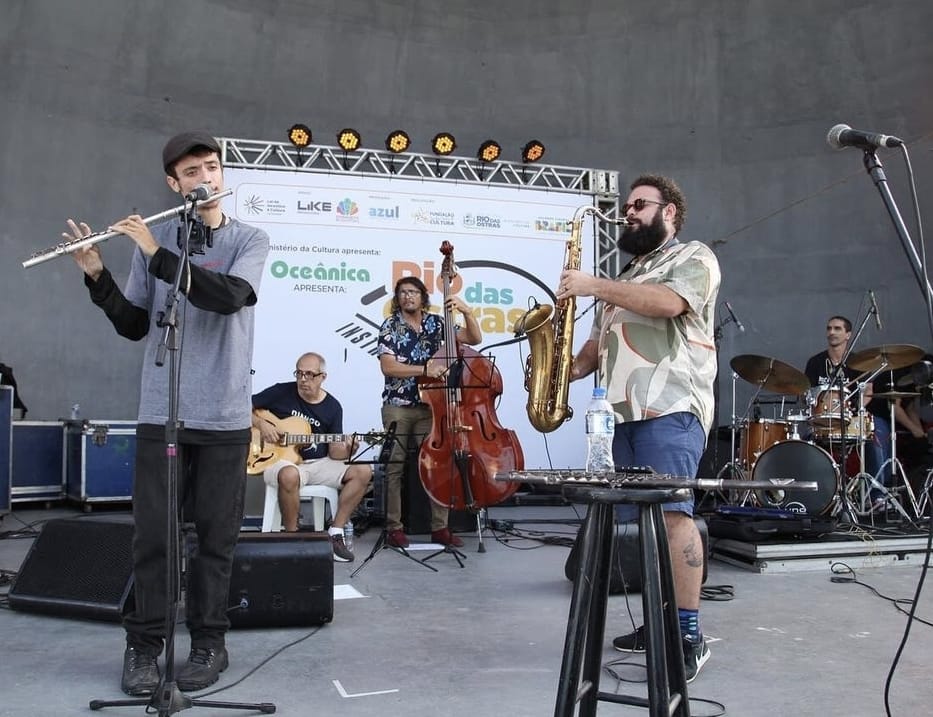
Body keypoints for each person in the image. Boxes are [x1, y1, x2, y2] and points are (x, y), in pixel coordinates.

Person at [64, 131, 270, 696]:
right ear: (172, 184)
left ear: (222, 175)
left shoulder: (251, 238)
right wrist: (97, 276)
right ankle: (144, 646)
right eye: (191, 171)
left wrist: (157, 254)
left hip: (225, 419)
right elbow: (135, 325)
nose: (204, 177)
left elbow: (228, 296)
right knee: (153, 539)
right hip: (163, 415)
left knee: (215, 541)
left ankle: (209, 643)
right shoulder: (155, 241)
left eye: (211, 167)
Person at [559, 174, 720, 683]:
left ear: (669, 211)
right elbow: (594, 350)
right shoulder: (628, 273)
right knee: (640, 523)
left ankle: (688, 634)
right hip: (616, 417)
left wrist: (591, 284)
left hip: (668, 409)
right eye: (626, 205)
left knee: (673, 517)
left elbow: (670, 304)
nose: (627, 212)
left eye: (638, 205)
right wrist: (553, 369)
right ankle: (658, 621)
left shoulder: (693, 256)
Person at [376, 276, 482, 549]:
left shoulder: (437, 323)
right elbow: (388, 367)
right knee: (395, 466)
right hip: (398, 405)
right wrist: (424, 370)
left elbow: (473, 338)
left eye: (412, 292)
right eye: (402, 293)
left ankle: (440, 527)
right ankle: (394, 528)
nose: (407, 297)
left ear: (423, 297)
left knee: (436, 465)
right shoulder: (390, 325)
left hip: (431, 405)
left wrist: (467, 312)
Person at [251, 352, 373, 562]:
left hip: (319, 464)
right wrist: (262, 425)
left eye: (309, 375)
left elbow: (335, 453)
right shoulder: (281, 391)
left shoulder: (333, 407)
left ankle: (336, 532)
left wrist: (349, 450)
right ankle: (291, 538)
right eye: (299, 373)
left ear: (322, 377)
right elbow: (241, 405)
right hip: (280, 461)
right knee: (289, 475)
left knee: (363, 471)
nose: (303, 380)